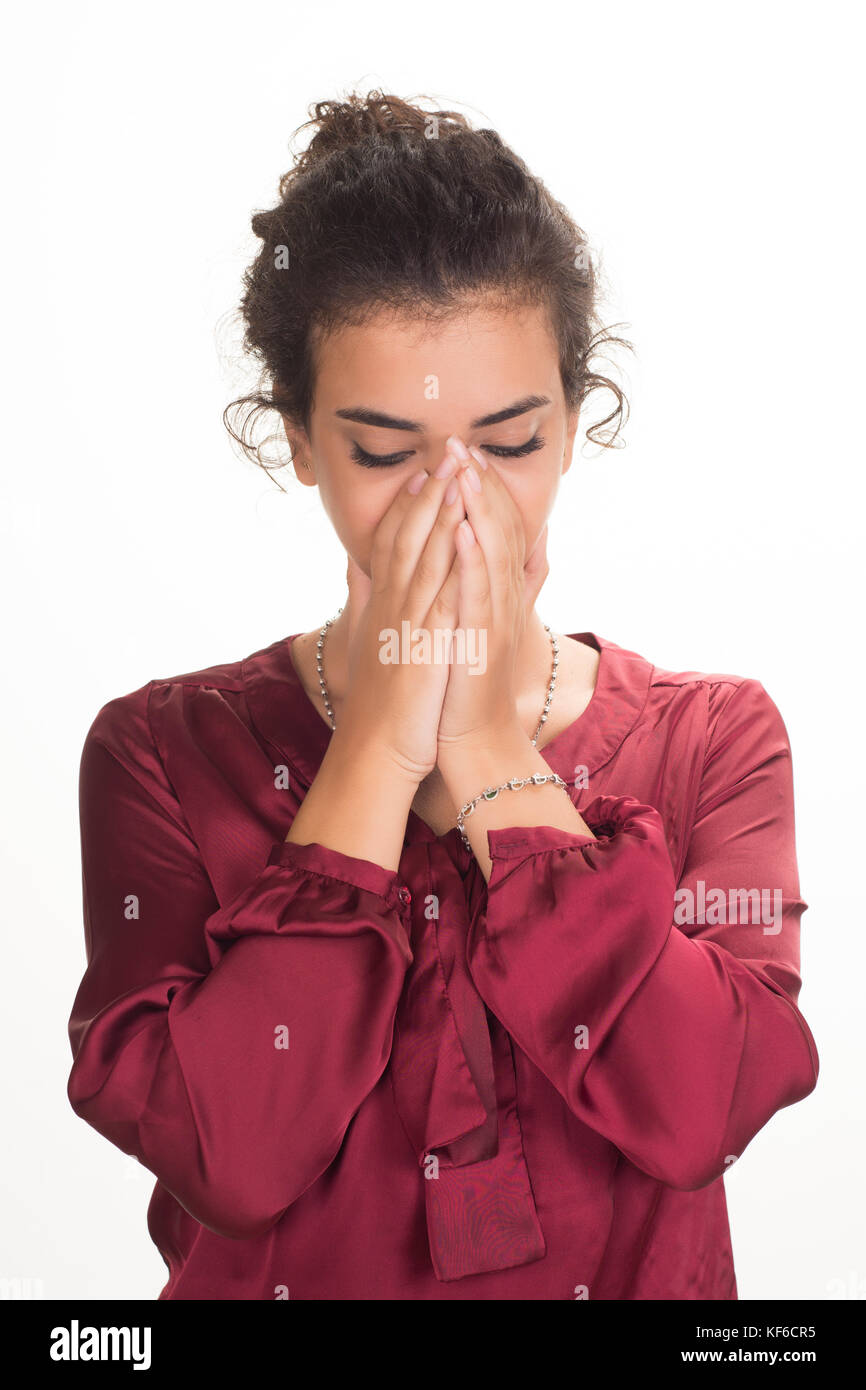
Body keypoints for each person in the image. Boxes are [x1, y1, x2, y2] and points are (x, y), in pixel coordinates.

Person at [66, 90, 819, 1300]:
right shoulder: (161, 752)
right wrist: (372, 752)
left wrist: (478, 745)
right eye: (380, 454)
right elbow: (230, 1159)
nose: (453, 504)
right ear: (300, 442)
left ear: (575, 423)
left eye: (508, 443)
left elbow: (699, 1112)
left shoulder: (711, 740)